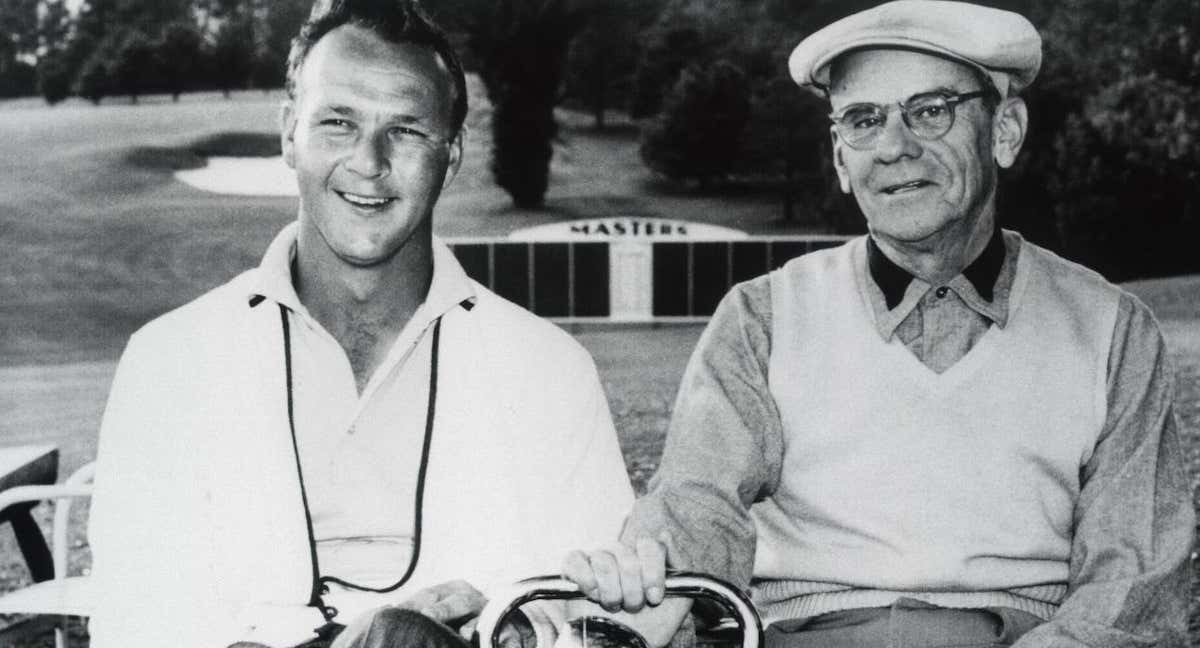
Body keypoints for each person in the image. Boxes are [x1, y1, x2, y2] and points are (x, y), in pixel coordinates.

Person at [562, 2, 1195, 647]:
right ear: (840, 158)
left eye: (931, 110)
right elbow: (697, 510)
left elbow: (1132, 588)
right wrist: (652, 586)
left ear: (1005, 130)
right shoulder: (763, 317)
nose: (894, 147)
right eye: (864, 120)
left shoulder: (1113, 330)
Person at [86, 1, 633, 647]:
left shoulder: (549, 368)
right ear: (290, 131)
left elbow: (592, 624)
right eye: (338, 122)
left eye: (405, 130)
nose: (369, 161)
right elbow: (137, 627)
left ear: (450, 155)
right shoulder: (168, 362)